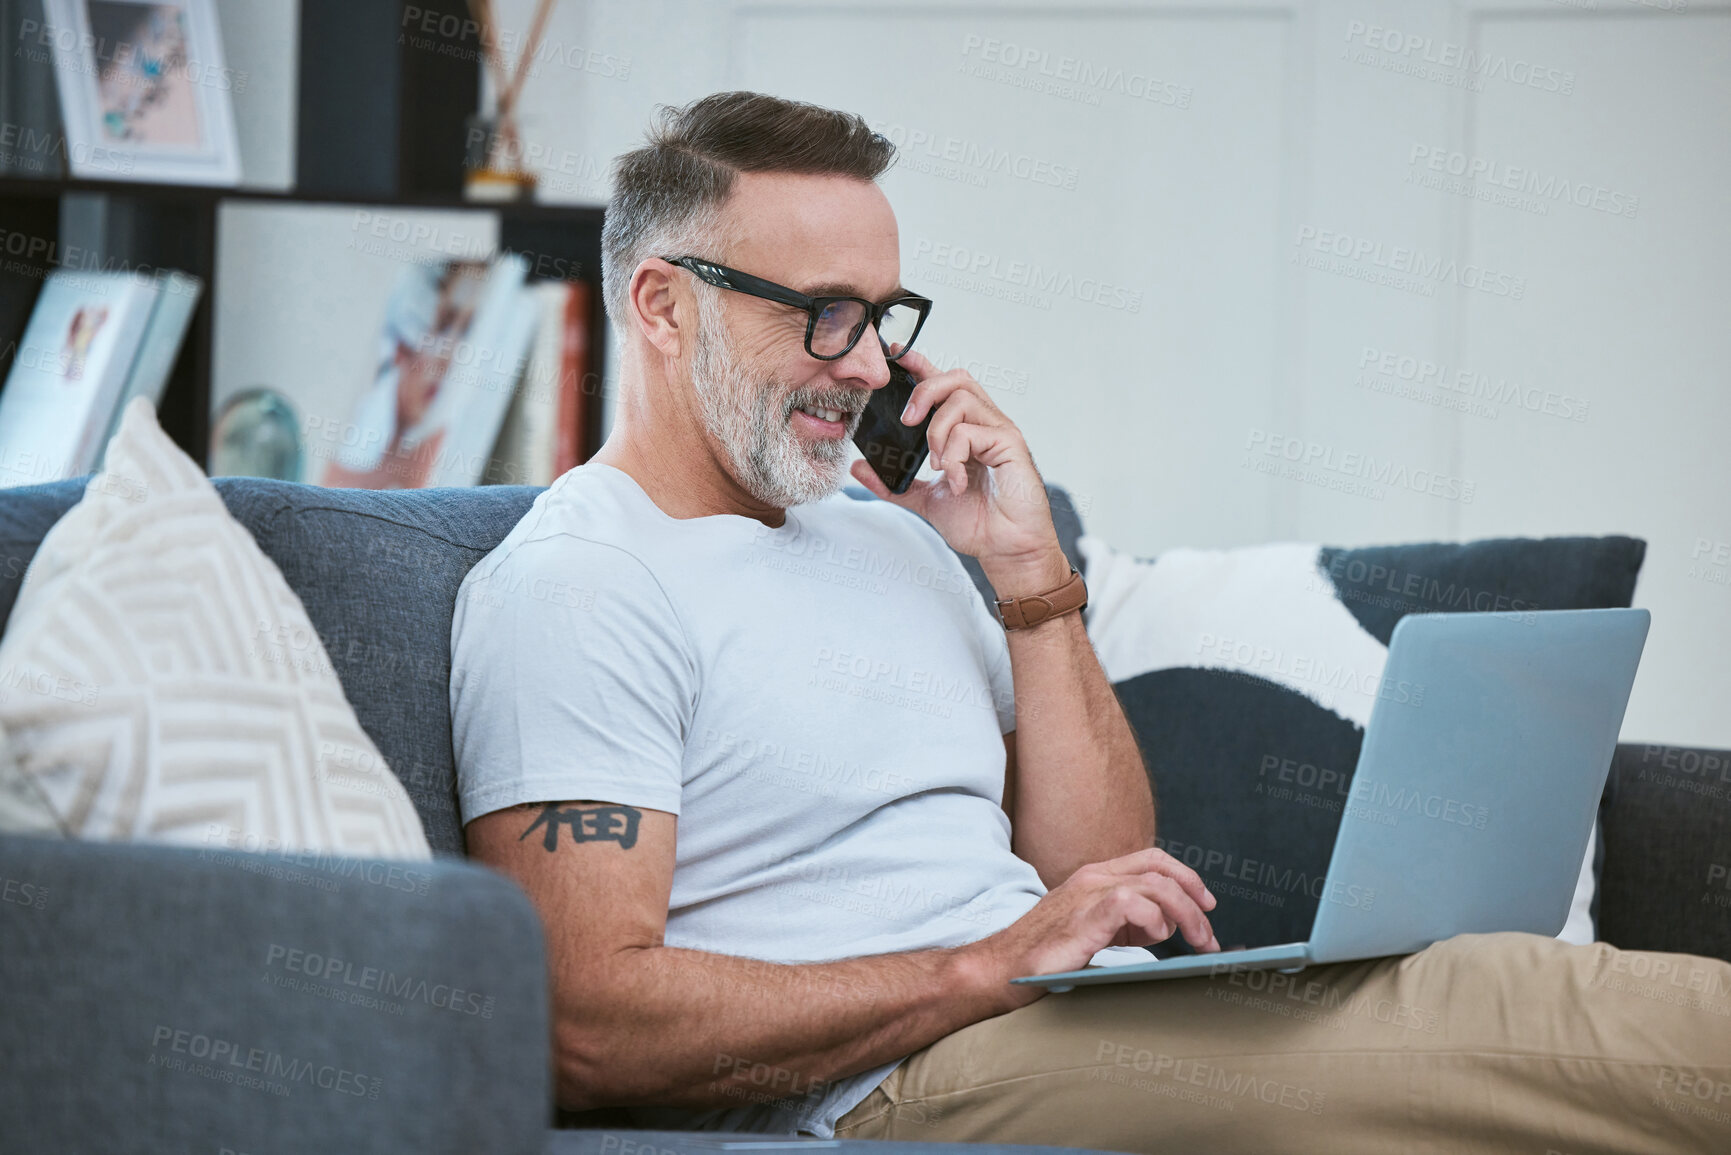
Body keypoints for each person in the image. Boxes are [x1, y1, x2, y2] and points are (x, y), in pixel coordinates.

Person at [449, 91, 1730, 1154]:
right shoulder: (584, 583)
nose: (869, 366)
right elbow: (587, 1020)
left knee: (1472, 996)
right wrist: (979, 968)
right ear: (666, 306)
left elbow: (1094, 875)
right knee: (1577, 1025)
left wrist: (1031, 576)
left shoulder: (892, 537)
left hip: (1064, 1027)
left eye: (886, 318)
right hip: (900, 1092)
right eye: (823, 312)